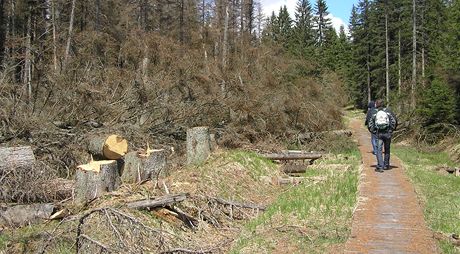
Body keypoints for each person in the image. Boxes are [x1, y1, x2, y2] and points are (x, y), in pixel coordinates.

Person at [368, 99, 398, 172]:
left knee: (379, 150)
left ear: (377, 105)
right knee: (387, 149)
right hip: (388, 134)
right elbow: (395, 121)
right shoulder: (388, 112)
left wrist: (374, 131)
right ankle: (386, 165)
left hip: (379, 134)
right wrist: (391, 130)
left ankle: (380, 166)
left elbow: (370, 124)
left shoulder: (375, 113)